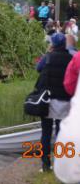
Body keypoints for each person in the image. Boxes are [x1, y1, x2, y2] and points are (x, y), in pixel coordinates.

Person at [36, 33, 72, 172]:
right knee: (60, 132)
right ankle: (59, 164)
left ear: (53, 45)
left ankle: (45, 165)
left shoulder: (48, 57)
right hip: (64, 101)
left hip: (47, 101)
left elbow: (38, 69)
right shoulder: (70, 58)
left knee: (45, 133)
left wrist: (47, 54)